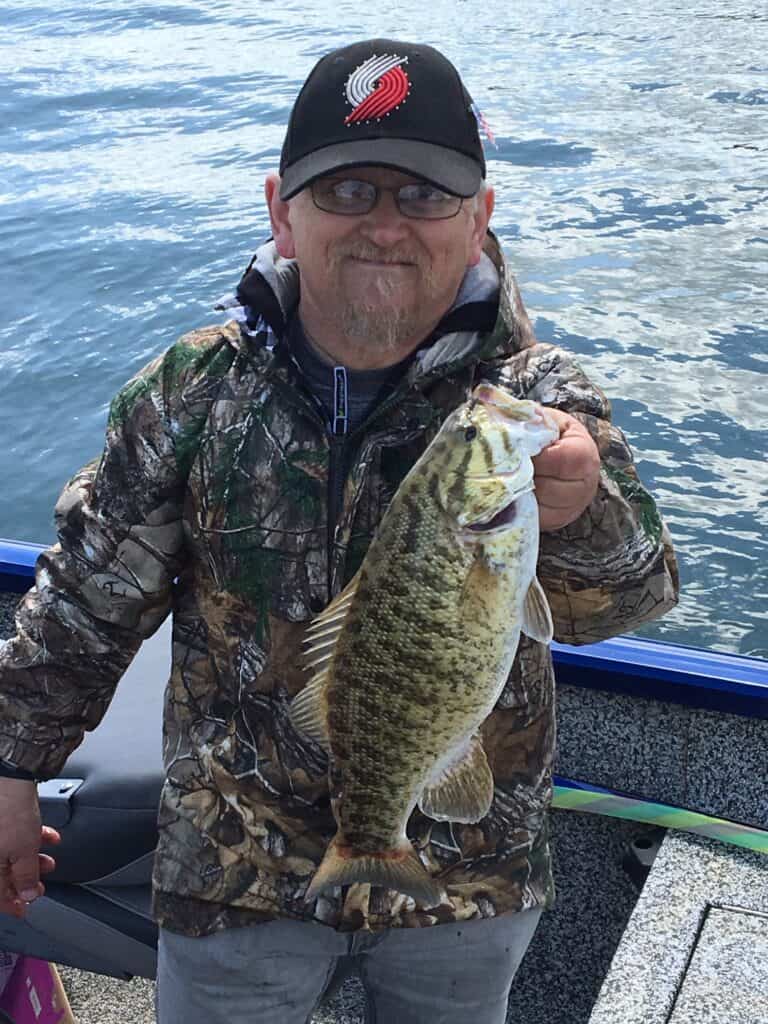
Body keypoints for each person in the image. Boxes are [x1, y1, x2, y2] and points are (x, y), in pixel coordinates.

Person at [0, 38, 679, 1024]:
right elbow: (83, 601)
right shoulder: (193, 391)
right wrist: (12, 766)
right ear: (282, 208)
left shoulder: (539, 399)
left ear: (482, 214)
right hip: (232, 871)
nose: (385, 228)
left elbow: (629, 597)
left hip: (468, 872)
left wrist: (581, 511)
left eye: (424, 196)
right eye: (348, 192)